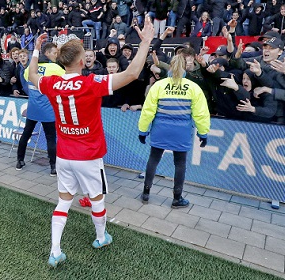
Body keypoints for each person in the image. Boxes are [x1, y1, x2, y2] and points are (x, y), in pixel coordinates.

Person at [28, 17, 155, 268]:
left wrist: (35, 50)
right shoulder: (91, 83)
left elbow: (33, 74)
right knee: (97, 201)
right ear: (79, 60)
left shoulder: (52, 82)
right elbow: (131, 73)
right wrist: (146, 42)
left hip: (64, 155)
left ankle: (55, 250)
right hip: (88, 155)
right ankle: (101, 238)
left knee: (64, 201)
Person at [138, 52, 211, 208]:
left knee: (153, 159)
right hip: (182, 132)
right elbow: (201, 113)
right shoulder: (193, 87)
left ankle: (146, 193)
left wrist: (142, 131)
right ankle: (177, 199)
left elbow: (147, 111)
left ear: (171, 66)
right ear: (184, 67)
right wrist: (203, 133)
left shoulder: (159, 85)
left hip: (160, 130)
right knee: (180, 164)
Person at [17, 43, 64, 175]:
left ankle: (19, 161)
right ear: (47, 53)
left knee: (25, 135)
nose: (56, 55)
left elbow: (26, 81)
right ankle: (53, 167)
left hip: (32, 108)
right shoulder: (55, 68)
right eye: (54, 53)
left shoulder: (30, 68)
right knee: (51, 138)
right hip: (48, 110)